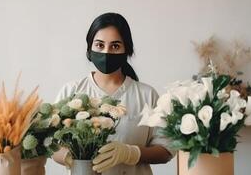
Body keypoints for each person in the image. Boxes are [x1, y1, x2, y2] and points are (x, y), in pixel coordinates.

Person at [52, 12, 175, 175]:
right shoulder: (71, 92)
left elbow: (166, 150)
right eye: (100, 45)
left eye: (115, 46)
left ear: (127, 50)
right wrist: (71, 158)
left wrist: (130, 153)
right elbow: (52, 145)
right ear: (89, 48)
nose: (106, 52)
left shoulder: (147, 95)